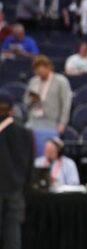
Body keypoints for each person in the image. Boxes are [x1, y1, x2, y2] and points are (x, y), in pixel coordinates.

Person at [0, 92, 34, 249]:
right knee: (13, 233)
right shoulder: (25, 133)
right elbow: (29, 165)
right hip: (16, 190)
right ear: (12, 110)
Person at [24, 56, 72, 146]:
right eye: (37, 70)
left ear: (49, 67)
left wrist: (62, 123)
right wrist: (32, 100)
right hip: (34, 120)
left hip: (52, 121)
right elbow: (26, 101)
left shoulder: (61, 81)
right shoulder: (33, 81)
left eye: (42, 69)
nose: (40, 72)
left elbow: (66, 104)